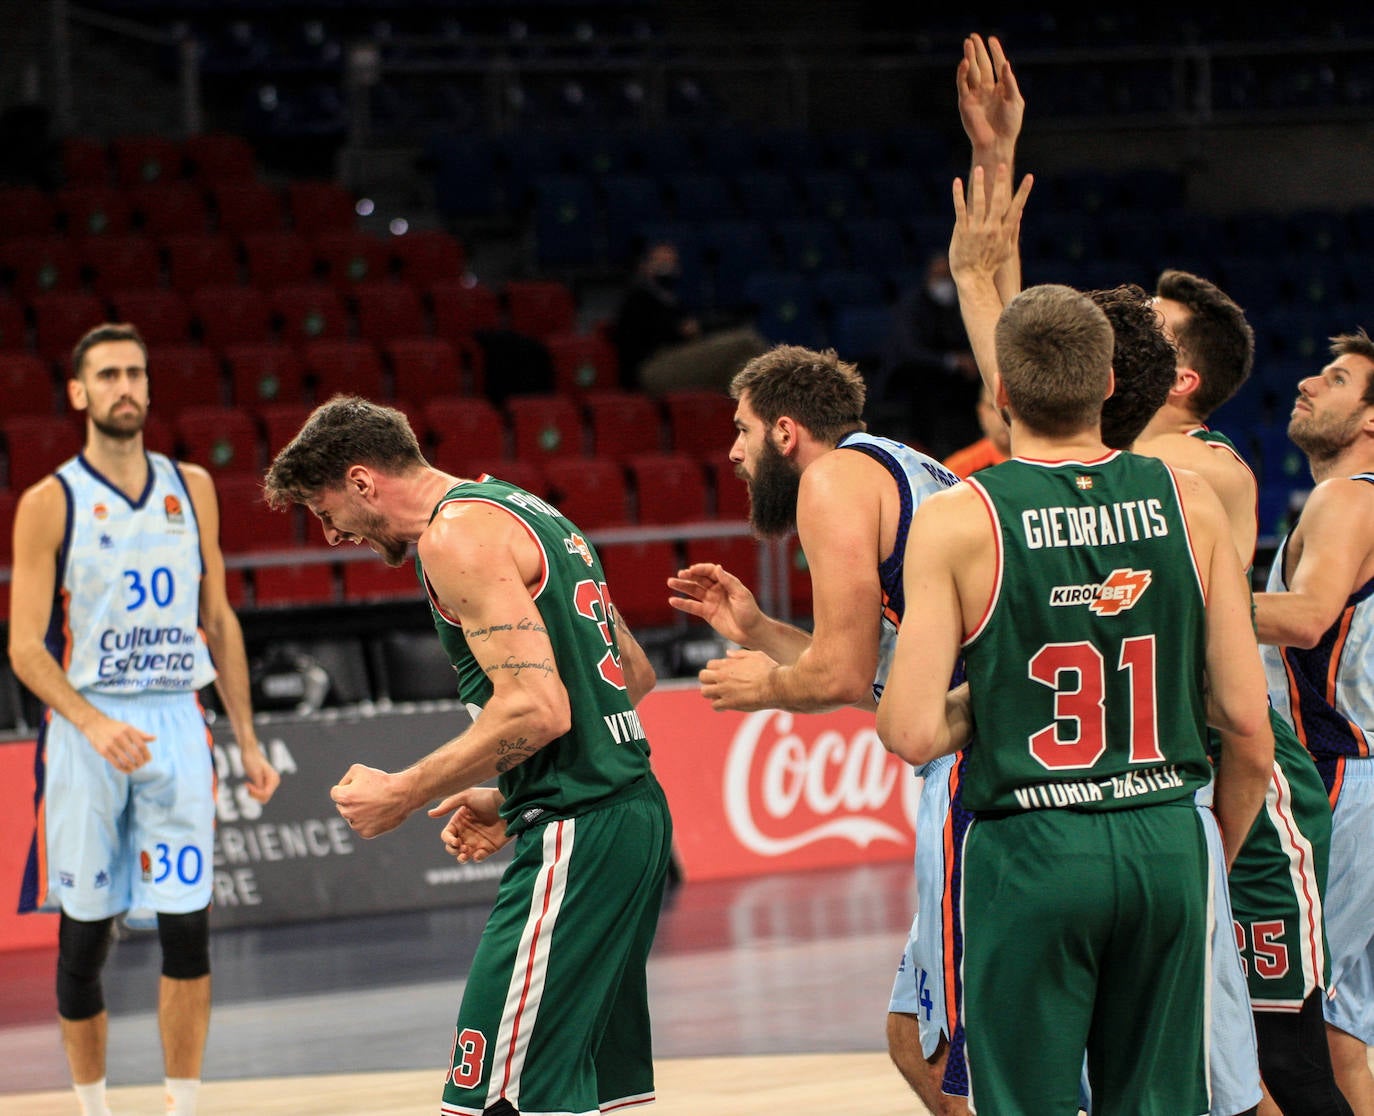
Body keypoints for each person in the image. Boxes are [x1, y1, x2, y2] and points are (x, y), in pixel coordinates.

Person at [876, 280, 1274, 1113]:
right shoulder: (1190, 501)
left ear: (1004, 393)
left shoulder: (960, 516)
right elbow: (1244, 716)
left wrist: (998, 691)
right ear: (1108, 386)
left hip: (1034, 848)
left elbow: (911, 731)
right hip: (1168, 835)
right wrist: (1210, 860)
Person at [261, 396, 674, 1116]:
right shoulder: (528, 510)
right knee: (572, 1096)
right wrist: (510, 793)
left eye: (327, 511)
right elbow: (631, 672)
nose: (331, 535)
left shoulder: (452, 537)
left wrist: (406, 790)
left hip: (580, 829)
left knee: (491, 1099)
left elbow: (537, 708)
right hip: (628, 817)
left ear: (363, 481)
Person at [9, 322, 280, 1116]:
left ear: (149, 386)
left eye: (137, 372)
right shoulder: (48, 502)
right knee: (85, 940)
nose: (126, 387)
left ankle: (182, 1107)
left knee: (186, 928)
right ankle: (95, 1108)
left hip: (175, 725)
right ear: (79, 393)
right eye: (108, 375)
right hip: (89, 736)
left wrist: (249, 741)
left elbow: (220, 621)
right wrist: (92, 725)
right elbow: (25, 648)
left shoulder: (190, 486)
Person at [1255, 330, 1374, 1114]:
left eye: (1336, 379)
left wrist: (1179, 600)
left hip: (1336, 776)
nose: (1307, 383)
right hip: (1360, 775)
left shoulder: (1349, 495)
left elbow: (1305, 617)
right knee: (1343, 1027)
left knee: (1280, 1017)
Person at [610, 238, 767, 396]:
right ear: (644, 265)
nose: (666, 267)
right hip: (650, 367)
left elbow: (691, 330)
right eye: (660, 261)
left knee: (740, 366)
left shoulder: (672, 299)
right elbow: (676, 331)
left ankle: (761, 414)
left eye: (671, 262)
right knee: (744, 341)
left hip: (677, 359)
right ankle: (786, 394)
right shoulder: (638, 298)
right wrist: (684, 330)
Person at [876, 250, 983, 459]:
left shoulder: (959, 305)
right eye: (939, 277)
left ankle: (969, 451)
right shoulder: (911, 306)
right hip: (914, 379)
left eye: (947, 277)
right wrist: (952, 361)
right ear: (928, 276)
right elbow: (909, 351)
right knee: (922, 385)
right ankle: (928, 453)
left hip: (954, 382)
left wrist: (969, 361)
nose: (944, 283)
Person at [941, 380, 1009, 478]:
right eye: (993, 408)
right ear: (981, 413)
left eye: (1009, 407)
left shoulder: (1036, 463)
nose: (1002, 417)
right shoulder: (957, 469)